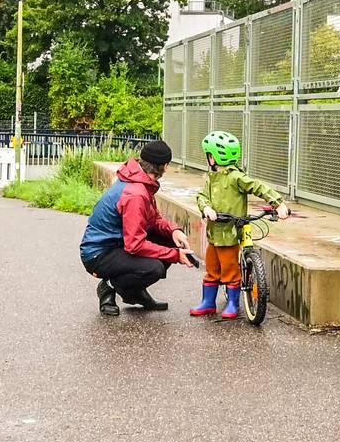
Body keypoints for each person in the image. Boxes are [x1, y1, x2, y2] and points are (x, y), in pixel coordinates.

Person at [79, 138, 196, 315]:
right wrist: (174, 255)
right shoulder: (136, 193)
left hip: (118, 243)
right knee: (153, 268)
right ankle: (109, 286)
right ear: (164, 166)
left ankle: (134, 292)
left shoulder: (139, 180)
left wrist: (174, 231)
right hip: (99, 253)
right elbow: (134, 245)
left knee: (170, 241)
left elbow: (153, 219)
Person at [192, 130, 284, 320]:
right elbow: (201, 196)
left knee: (230, 270)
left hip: (230, 232)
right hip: (214, 233)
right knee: (211, 269)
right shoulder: (211, 177)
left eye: (208, 155)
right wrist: (206, 207)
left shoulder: (236, 177)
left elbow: (257, 186)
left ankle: (233, 303)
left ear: (213, 157)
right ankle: (208, 302)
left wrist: (278, 203)